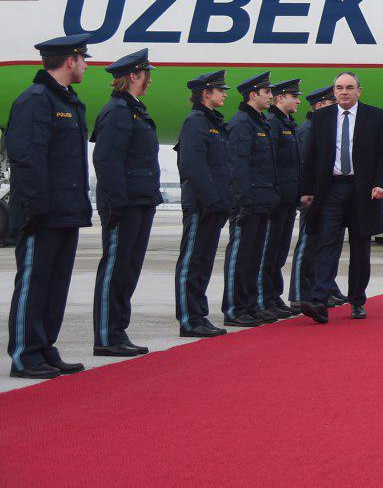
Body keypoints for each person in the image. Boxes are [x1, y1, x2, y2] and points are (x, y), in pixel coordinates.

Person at [5, 34, 93, 379]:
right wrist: (35, 207)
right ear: (70, 61)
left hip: (66, 209)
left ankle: (44, 347)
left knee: (56, 284)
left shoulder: (68, 101)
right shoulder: (35, 100)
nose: (86, 64)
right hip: (42, 211)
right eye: (83, 59)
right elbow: (26, 157)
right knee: (34, 282)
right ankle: (25, 354)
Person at [298, 72, 383, 323]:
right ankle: (319, 301)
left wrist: (380, 184)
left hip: (363, 191)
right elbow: (311, 157)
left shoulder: (375, 116)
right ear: (334, 91)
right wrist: (307, 191)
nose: (344, 92)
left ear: (359, 91)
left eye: (349, 87)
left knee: (360, 247)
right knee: (327, 243)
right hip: (330, 190)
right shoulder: (322, 118)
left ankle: (357, 300)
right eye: (339, 88)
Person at [90, 49, 161, 357]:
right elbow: (106, 160)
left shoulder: (135, 109)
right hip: (125, 203)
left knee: (129, 268)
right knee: (116, 268)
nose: (150, 80)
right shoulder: (118, 111)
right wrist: (117, 203)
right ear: (134, 76)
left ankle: (118, 330)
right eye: (147, 74)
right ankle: (107, 335)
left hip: (140, 200)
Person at [175, 71, 233, 338]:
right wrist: (211, 199)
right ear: (205, 94)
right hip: (201, 204)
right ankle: (189, 318)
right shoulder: (195, 122)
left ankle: (199, 315)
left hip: (214, 204)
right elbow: (193, 166)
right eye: (219, 90)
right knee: (192, 260)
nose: (224, 93)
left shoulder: (213, 122)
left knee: (204, 261)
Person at [223, 72, 279, 327]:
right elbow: (237, 166)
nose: (271, 96)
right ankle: (234, 308)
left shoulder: (259, 123)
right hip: (248, 201)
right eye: (267, 92)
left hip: (262, 200)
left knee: (254, 257)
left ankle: (250, 305)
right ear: (253, 95)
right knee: (240, 256)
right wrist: (242, 201)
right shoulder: (242, 123)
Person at [290, 85, 345, 309]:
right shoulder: (308, 129)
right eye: (332, 103)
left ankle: (326, 287)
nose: (337, 107)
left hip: (326, 196)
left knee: (325, 245)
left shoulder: (324, 128)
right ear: (320, 106)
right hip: (312, 198)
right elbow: (306, 166)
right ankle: (300, 293)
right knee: (307, 245)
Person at [261, 78, 302, 319]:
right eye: (293, 96)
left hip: (288, 198)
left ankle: (273, 296)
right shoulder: (272, 123)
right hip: (276, 198)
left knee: (279, 250)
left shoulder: (287, 123)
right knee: (270, 249)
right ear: (280, 99)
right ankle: (264, 297)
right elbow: (272, 162)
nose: (297, 100)